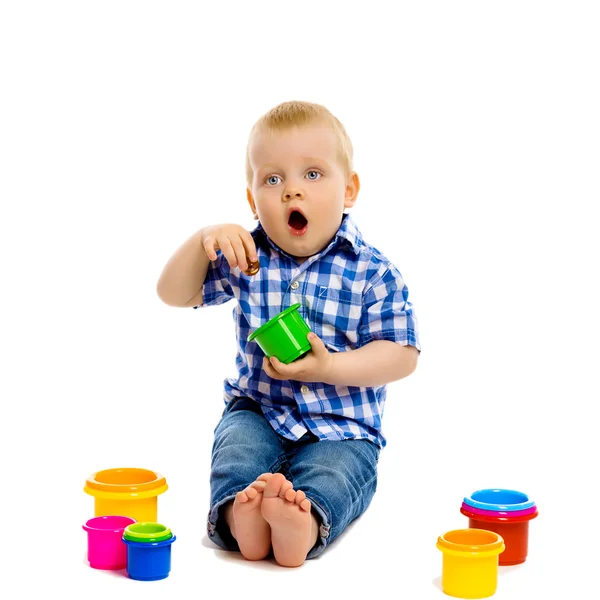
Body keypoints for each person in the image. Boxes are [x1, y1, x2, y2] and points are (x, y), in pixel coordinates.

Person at [156, 100, 421, 567]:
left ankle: (304, 520)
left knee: (336, 473)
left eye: (313, 175)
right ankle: (243, 517)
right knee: (237, 450)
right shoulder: (246, 256)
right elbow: (173, 293)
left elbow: (401, 355)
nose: (291, 192)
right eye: (272, 179)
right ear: (251, 199)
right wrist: (203, 239)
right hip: (259, 410)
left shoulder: (373, 273)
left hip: (343, 428)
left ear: (350, 190)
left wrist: (330, 366)